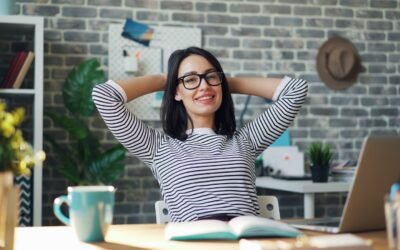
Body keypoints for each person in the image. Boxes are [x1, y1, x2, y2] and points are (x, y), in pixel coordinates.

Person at [92, 47, 308, 222]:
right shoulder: (157, 147)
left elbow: (296, 90)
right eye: (190, 80)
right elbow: (104, 96)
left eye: (210, 77)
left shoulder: (247, 141)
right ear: (176, 91)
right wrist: (165, 80)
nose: (203, 86)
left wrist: (220, 83)